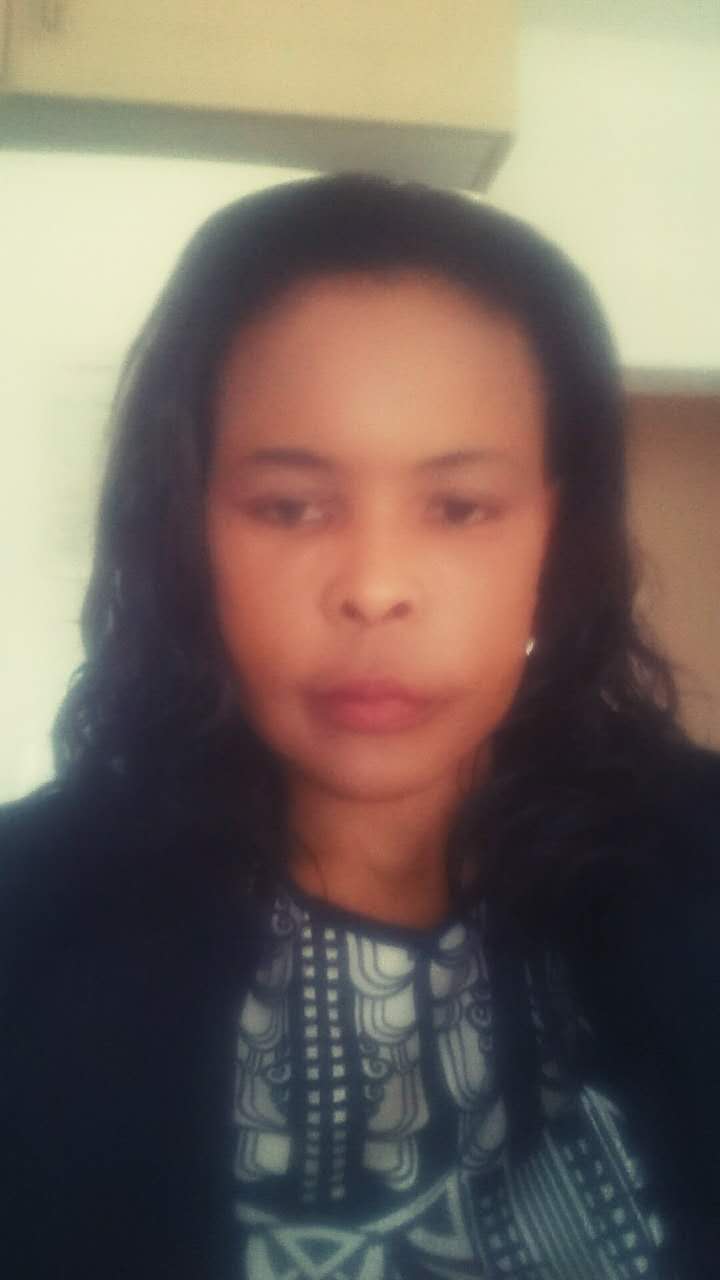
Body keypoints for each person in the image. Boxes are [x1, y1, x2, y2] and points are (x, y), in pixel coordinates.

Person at [1, 172, 718, 1280]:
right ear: (189, 533)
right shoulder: (31, 926)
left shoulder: (699, 852)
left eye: (459, 507)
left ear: (553, 539)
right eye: (291, 506)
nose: (375, 588)